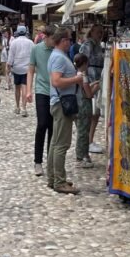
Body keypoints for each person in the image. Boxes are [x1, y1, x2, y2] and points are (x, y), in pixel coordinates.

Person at [47, 28, 84, 194]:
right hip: (63, 104)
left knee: (55, 143)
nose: (71, 42)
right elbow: (56, 81)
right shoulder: (59, 58)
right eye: (69, 39)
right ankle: (59, 181)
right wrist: (76, 79)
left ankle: (53, 177)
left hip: (59, 103)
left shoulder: (57, 56)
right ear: (63, 40)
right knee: (61, 144)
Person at [26, 24, 55, 176]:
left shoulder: (57, 50)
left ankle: (50, 161)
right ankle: (38, 162)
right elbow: (31, 70)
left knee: (53, 127)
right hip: (42, 91)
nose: (53, 41)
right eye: (52, 39)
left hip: (56, 92)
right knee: (42, 124)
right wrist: (29, 90)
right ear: (46, 37)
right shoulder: (36, 49)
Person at [78, 24, 106, 157]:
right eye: (97, 32)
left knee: (95, 113)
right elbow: (83, 63)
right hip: (91, 79)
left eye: (101, 32)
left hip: (96, 79)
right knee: (92, 113)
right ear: (91, 32)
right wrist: (87, 81)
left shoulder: (98, 44)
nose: (100, 34)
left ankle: (89, 140)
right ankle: (88, 141)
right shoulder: (89, 45)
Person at [73, 53, 101, 168]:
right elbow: (88, 94)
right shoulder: (83, 76)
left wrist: (93, 83)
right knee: (83, 132)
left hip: (77, 104)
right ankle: (81, 156)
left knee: (81, 130)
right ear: (84, 63)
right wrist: (97, 87)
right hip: (84, 105)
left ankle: (82, 155)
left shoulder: (76, 73)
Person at [7, 25, 33, 117]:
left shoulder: (14, 42)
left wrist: (8, 67)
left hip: (17, 68)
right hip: (27, 68)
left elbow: (11, 56)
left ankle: (17, 107)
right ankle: (24, 108)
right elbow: (33, 56)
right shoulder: (30, 42)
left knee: (17, 88)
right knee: (24, 87)